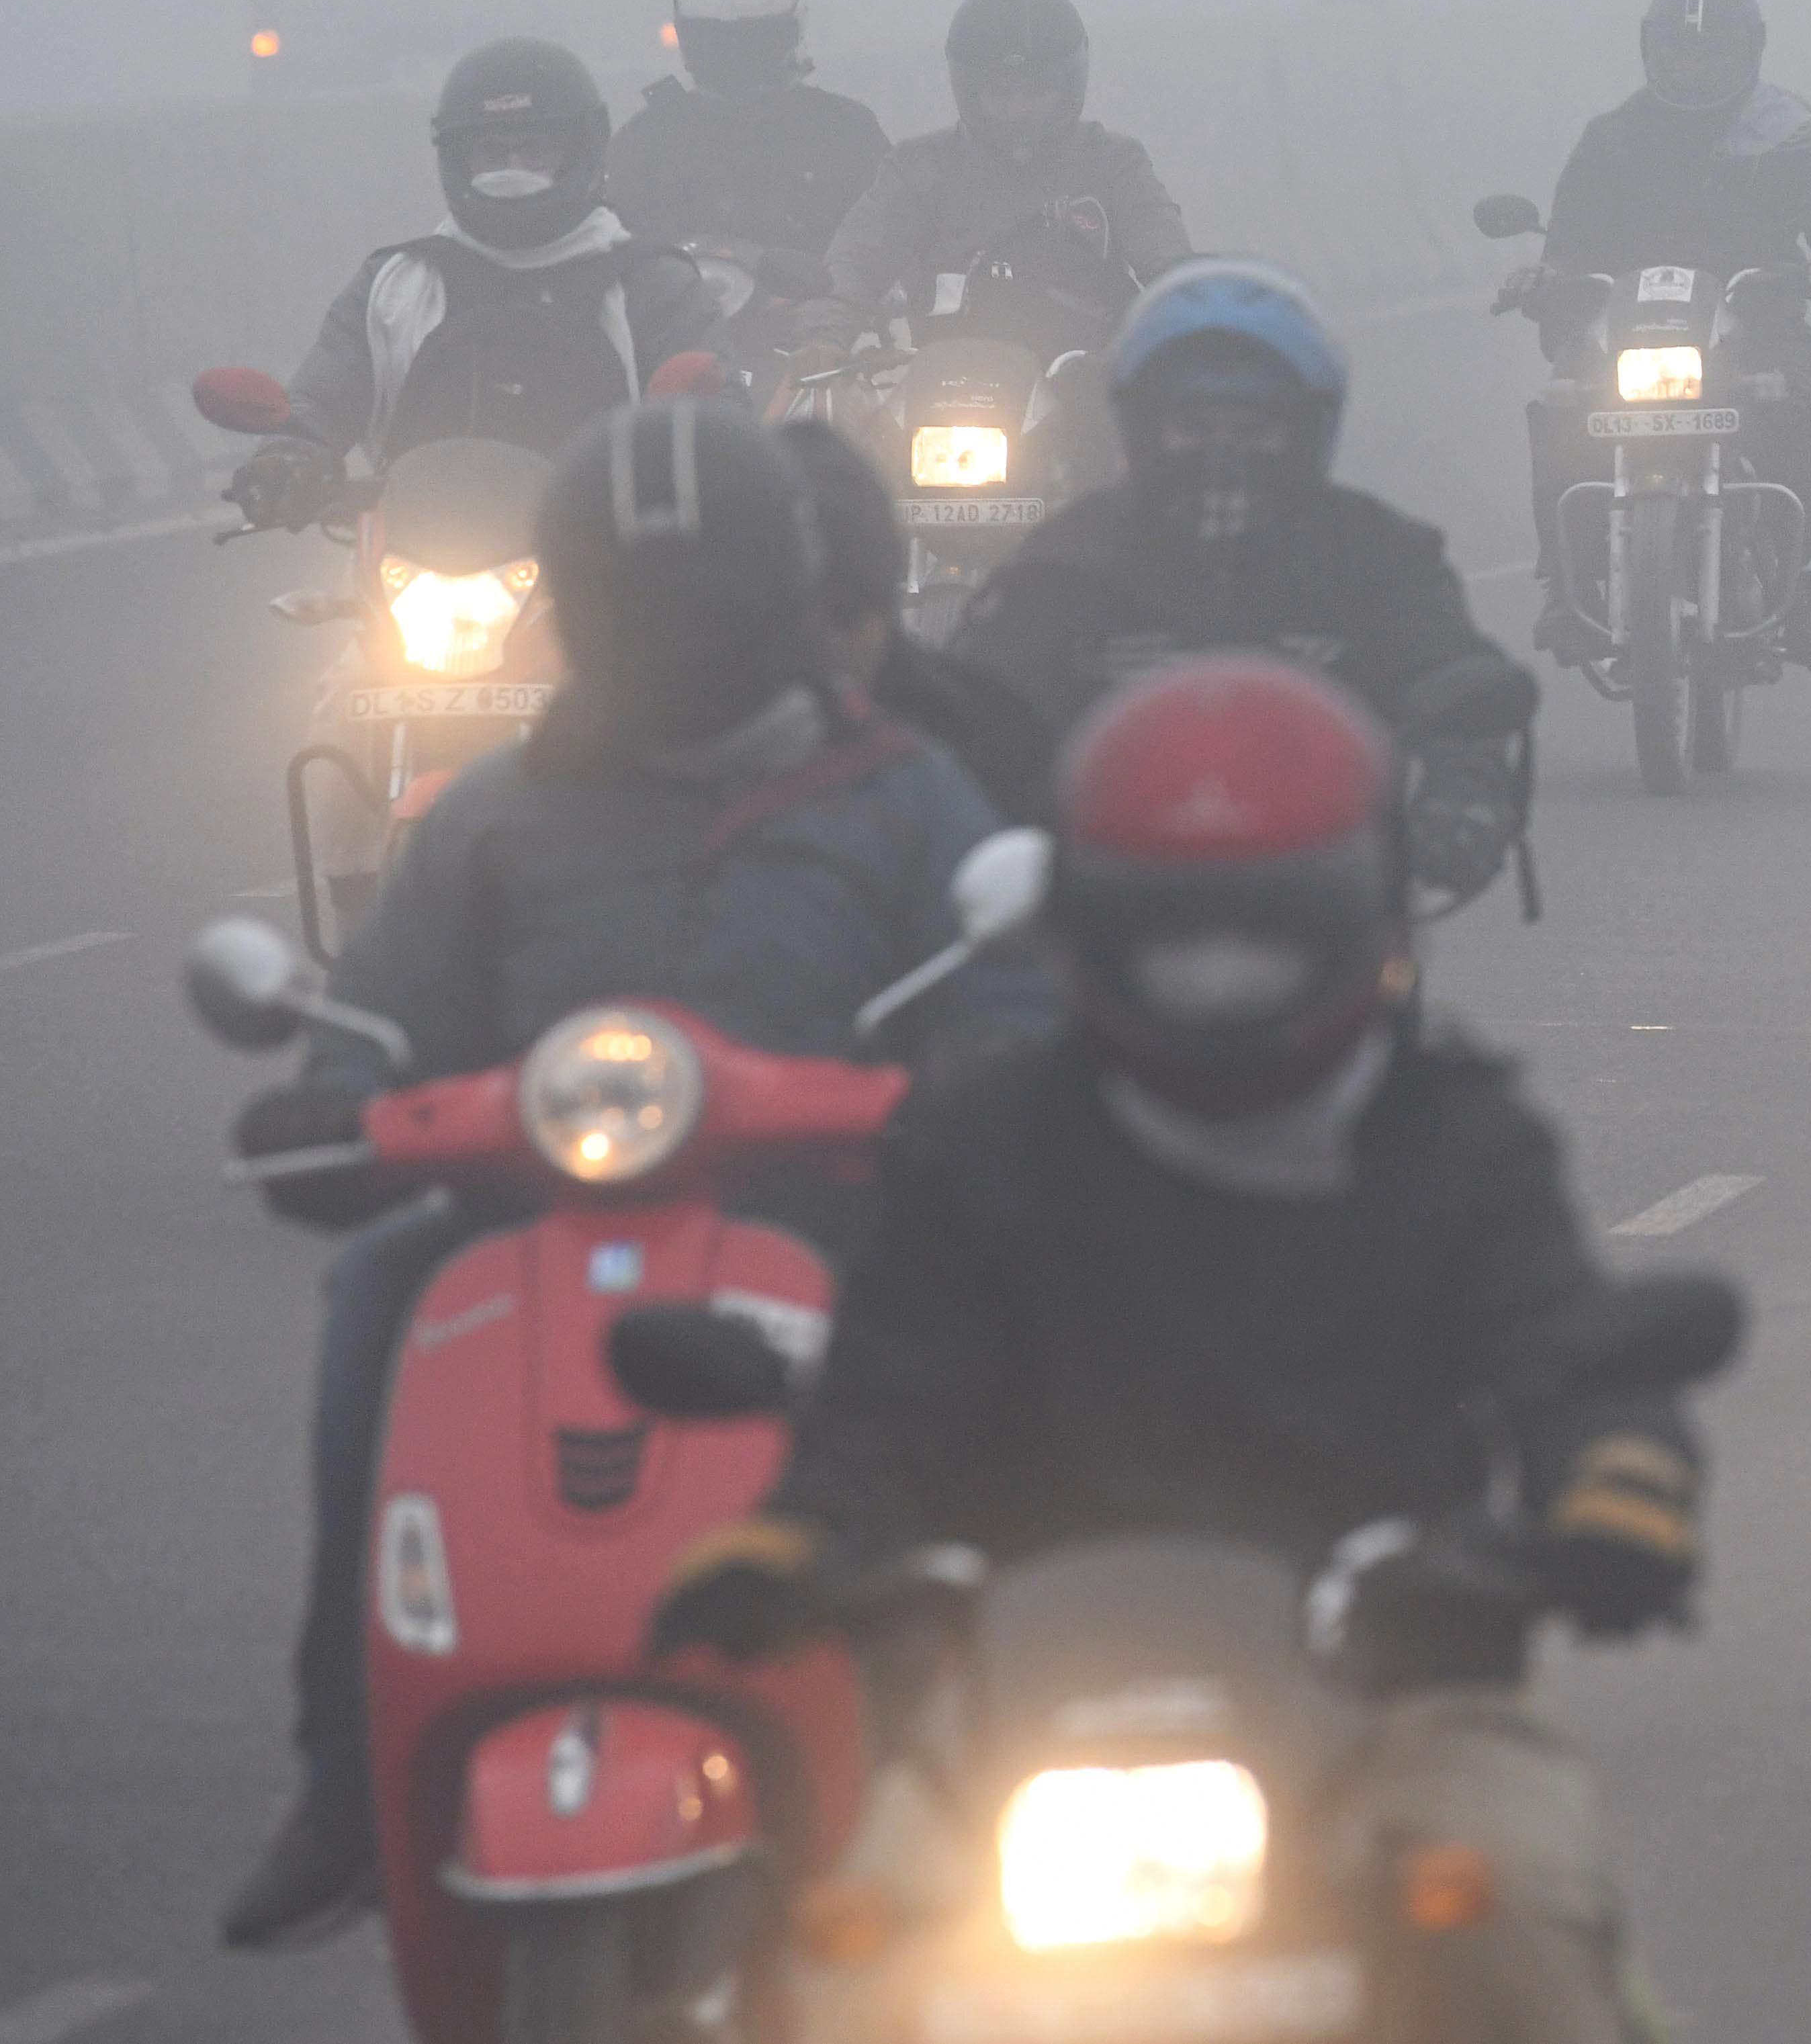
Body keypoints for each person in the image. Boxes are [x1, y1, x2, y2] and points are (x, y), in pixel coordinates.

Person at [646, 656, 1704, 2044]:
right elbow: (888, 1394)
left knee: (1514, 1914)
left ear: (1370, 909)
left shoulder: (1459, 1141)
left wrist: (1619, 1482)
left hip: (1398, 1699)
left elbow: (1564, 1346)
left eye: (1262, 934)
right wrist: (795, 1534)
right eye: (1175, 936)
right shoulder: (981, 1140)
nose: (1220, 981)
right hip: (1013, 1724)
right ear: (1088, 927)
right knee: (841, 1963)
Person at [216, 396, 1055, 1952]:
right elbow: (384, 1027)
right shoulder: (489, 819)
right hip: (534, 1247)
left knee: (1006, 1380)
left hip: (832, 1240)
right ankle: (346, 1781)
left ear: (786, 605)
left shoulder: (907, 796)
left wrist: (986, 1090)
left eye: (704, 609)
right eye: (629, 606)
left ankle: (1009, 1770)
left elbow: (1011, 1002)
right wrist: (329, 1104)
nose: (668, 641)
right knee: (377, 1286)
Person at [953, 260, 1536, 907]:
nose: (1221, 455)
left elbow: (1450, 675)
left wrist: (1465, 796)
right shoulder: (1067, 557)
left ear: (1306, 429)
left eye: (1253, 432)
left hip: (1333, 900)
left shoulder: (1376, 553)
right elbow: (977, 704)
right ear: (1142, 430)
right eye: (1193, 431)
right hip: (1109, 903)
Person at [1509, 0, 1811, 671]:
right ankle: (1565, 580)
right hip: (1625, 333)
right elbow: (1567, 246)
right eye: (1678, 51)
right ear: (1649, 51)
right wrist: (1545, 278)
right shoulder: (1610, 139)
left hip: (1753, 324)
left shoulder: (1789, 135)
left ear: (1751, 51)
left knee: (1790, 411)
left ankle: (1794, 578)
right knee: (1559, 410)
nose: (1692, 66)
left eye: (1711, 51)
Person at [224, 38, 723, 530]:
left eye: (535, 152)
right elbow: (323, 394)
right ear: (456, 160)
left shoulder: (652, 285)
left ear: (584, 150)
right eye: (490, 153)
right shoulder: (393, 287)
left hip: (614, 566)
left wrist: (702, 464)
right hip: (420, 568)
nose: (512, 172)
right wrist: (289, 455)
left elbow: (717, 421)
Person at [809, 0, 1189, 357]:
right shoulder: (919, 167)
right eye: (1000, 94)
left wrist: (1196, 326)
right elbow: (856, 261)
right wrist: (822, 338)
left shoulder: (1114, 163)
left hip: (1089, 392)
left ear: (1070, 87)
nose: (1018, 109)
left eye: (1036, 92)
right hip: (939, 389)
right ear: (969, 91)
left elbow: (1166, 260)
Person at [783, 416, 1059, 826]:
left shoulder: (995, 737)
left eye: (844, 610)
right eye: (794, 616)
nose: (827, 642)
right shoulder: (703, 752)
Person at [604, 0, 891, 290]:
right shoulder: (644, 143)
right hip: (675, 335)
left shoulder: (846, 132)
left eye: (750, 40)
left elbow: (890, 247)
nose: (731, 58)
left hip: (822, 335)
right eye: (713, 40)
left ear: (790, 32)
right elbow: (612, 263)